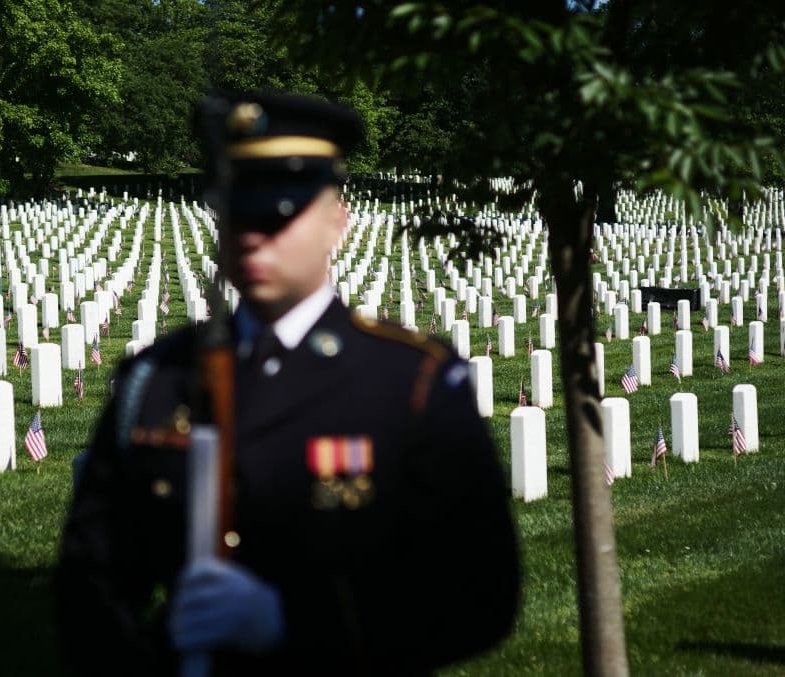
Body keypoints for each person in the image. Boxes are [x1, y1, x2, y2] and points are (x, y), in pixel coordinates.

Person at [56, 92, 520, 676]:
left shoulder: (411, 379)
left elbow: (480, 593)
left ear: (336, 222)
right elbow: (90, 582)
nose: (253, 235)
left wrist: (294, 624)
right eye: (236, 210)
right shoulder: (156, 378)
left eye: (278, 212)